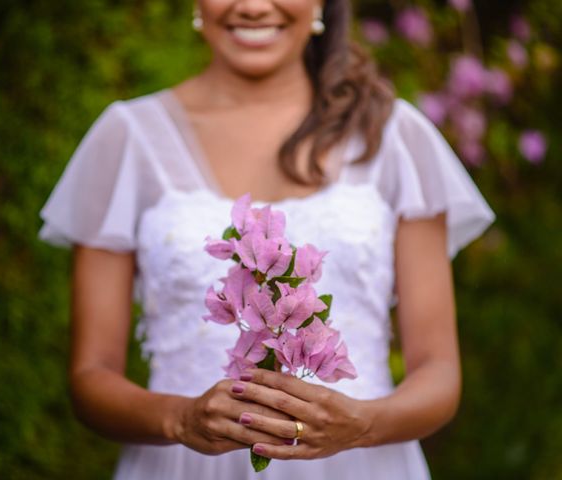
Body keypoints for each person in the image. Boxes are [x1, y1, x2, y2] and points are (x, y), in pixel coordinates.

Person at [38, 1, 495, 478]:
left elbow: (439, 371)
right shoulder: (127, 138)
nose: (254, 6)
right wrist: (180, 419)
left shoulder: (394, 136)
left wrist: (361, 424)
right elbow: (90, 377)